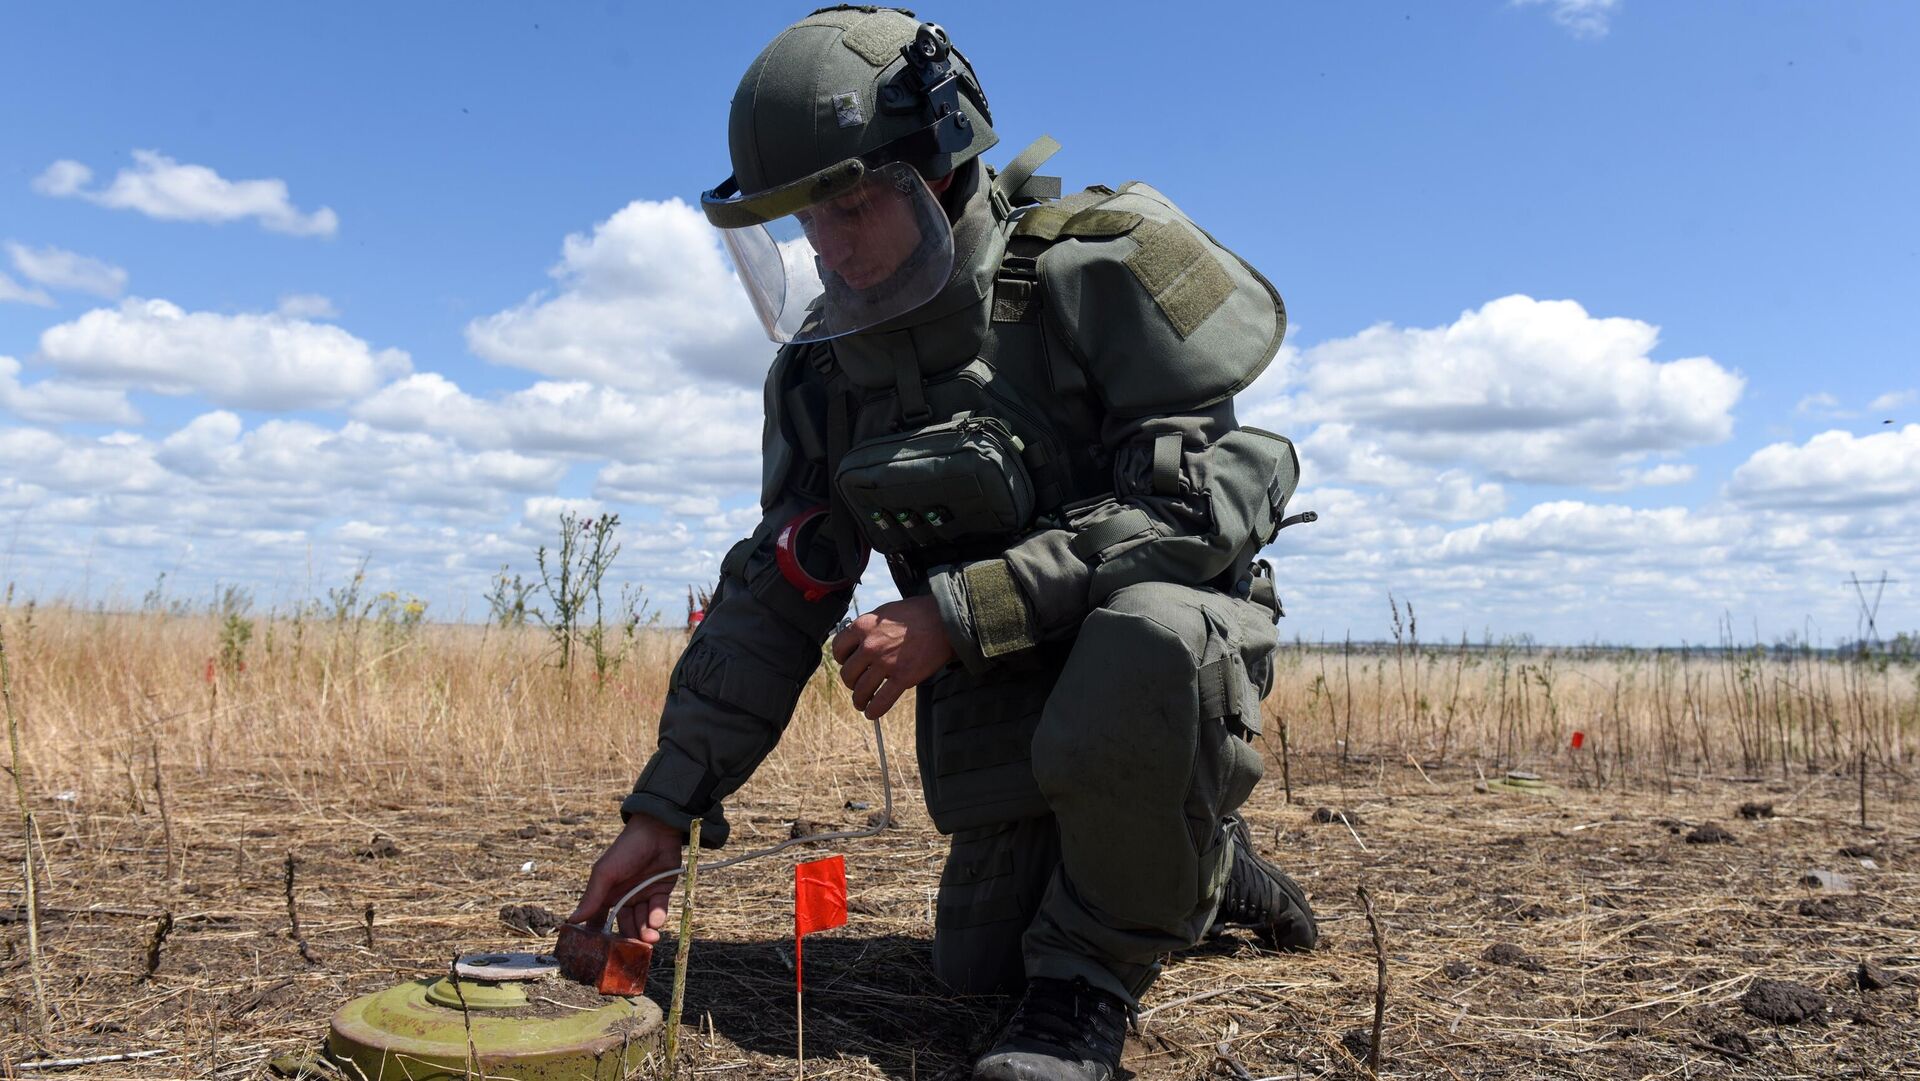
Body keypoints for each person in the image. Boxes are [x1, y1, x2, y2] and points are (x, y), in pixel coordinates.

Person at [570, 8, 1317, 1078]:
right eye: (801, 223)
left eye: (852, 205)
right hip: (1001, 685)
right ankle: (1203, 855)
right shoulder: (828, 376)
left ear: (942, 163)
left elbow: (1200, 509)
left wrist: (956, 613)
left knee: (1152, 637)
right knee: (975, 967)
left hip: (1157, 649)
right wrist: (664, 811)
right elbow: (776, 594)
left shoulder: (1094, 272)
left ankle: (1086, 997)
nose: (827, 245)